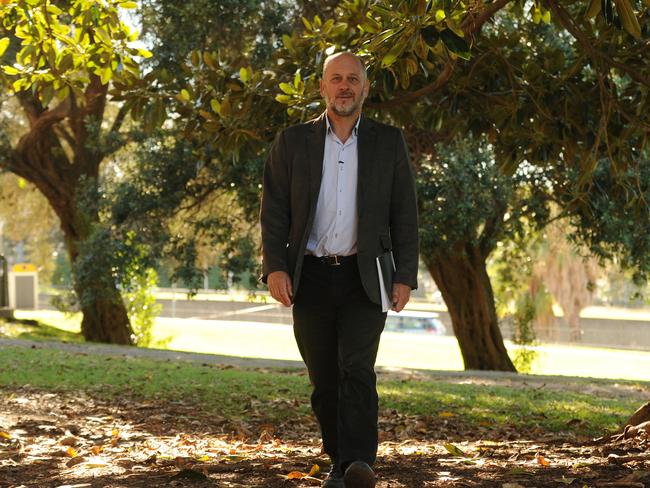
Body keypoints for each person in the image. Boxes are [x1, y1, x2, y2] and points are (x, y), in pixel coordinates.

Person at [260, 52, 418, 488]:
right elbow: (273, 210)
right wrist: (275, 267)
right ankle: (338, 459)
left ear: (365, 88)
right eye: (336, 79)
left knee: (357, 369)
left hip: (364, 278)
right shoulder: (293, 142)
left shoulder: (388, 142)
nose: (344, 86)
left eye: (353, 79)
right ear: (323, 88)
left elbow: (405, 211)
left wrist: (405, 274)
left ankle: (356, 464)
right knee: (324, 378)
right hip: (308, 275)